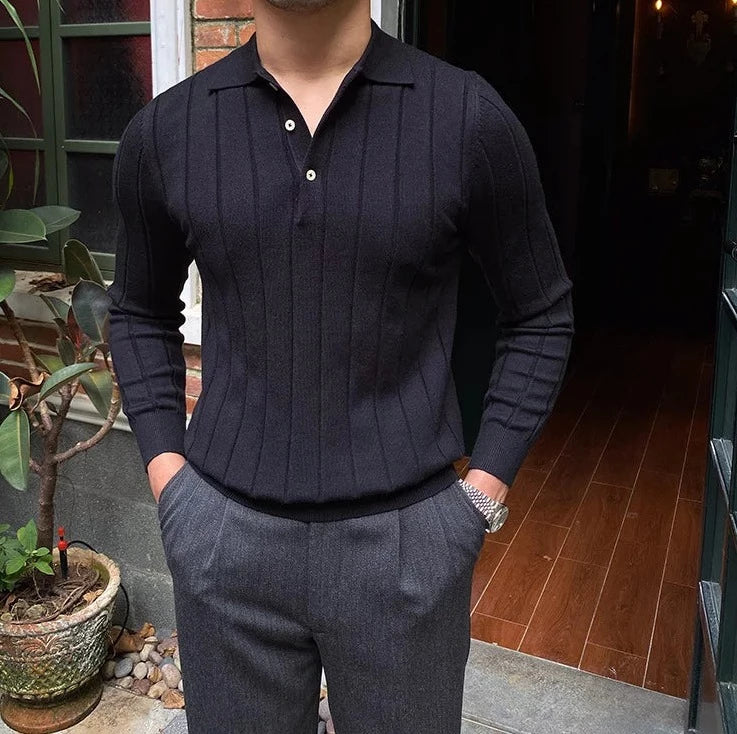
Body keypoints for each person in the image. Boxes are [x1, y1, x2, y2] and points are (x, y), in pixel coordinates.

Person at [106, 0, 574, 731]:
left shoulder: (466, 117)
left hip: (408, 551)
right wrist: (172, 485)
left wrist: (475, 503)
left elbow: (540, 312)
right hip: (224, 544)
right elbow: (138, 311)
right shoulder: (168, 131)